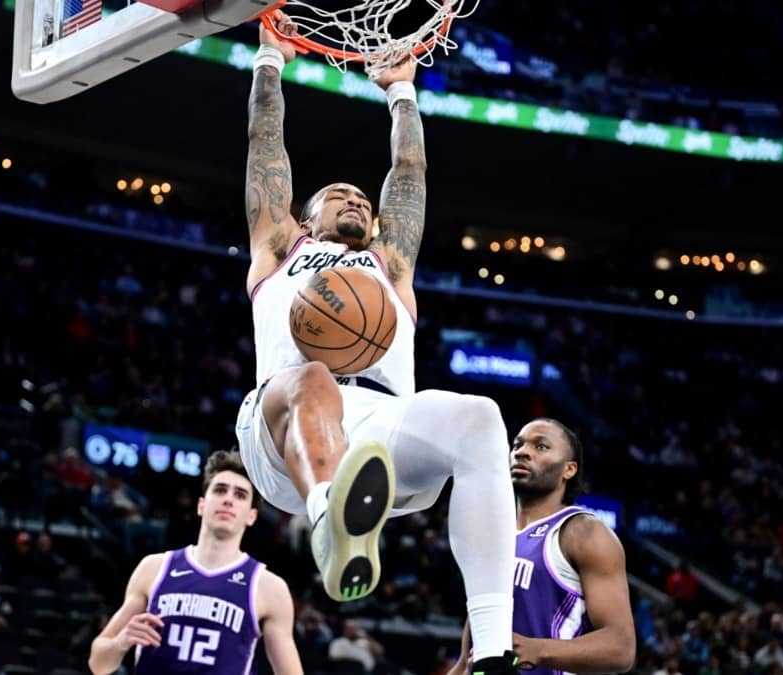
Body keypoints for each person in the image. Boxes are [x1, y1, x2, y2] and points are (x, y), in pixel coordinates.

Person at [236, 14, 518, 673]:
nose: (357, 202)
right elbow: (265, 143)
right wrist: (270, 62)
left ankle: (496, 653)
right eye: (340, 197)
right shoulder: (281, 248)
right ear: (307, 216)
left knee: (482, 418)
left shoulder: (389, 266)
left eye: (363, 200)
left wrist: (401, 92)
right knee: (313, 379)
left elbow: (409, 169)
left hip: (383, 425)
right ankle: (325, 518)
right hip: (286, 422)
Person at [89, 450, 302, 674]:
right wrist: (120, 642)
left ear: (251, 516)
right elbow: (98, 663)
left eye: (240, 495)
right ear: (201, 505)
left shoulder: (268, 587)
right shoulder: (154, 568)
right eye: (220, 490)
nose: (228, 499)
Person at [449, 419, 636, 674]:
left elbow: (621, 648)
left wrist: (538, 649)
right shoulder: (494, 536)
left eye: (541, 446)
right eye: (518, 445)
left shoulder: (583, 532)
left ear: (568, 470)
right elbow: (464, 662)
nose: (522, 452)